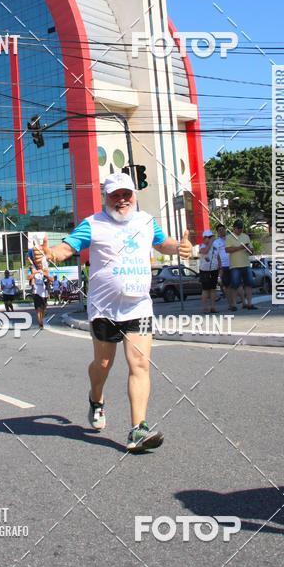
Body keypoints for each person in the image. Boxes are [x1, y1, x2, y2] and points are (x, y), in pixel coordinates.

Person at [42, 172, 192, 453]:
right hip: (104, 307)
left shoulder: (146, 221)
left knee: (140, 365)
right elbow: (66, 248)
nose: (122, 200)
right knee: (103, 364)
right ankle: (96, 399)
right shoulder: (93, 224)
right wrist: (49, 254)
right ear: (105, 198)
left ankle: (138, 429)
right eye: (115, 195)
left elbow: (163, 243)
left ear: (134, 195)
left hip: (139, 305)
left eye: (127, 194)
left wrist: (180, 247)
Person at [225, 220, 255, 311]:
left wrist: (248, 249)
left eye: (241, 228)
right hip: (235, 266)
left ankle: (249, 303)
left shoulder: (246, 236)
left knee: (249, 284)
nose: (240, 230)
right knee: (235, 285)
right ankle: (234, 304)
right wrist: (240, 247)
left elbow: (252, 251)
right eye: (238, 228)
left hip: (246, 264)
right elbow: (227, 249)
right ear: (234, 228)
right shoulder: (229, 237)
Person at [198, 229, 219, 313]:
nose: (211, 239)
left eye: (211, 237)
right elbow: (205, 251)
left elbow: (218, 256)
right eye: (209, 237)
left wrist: (220, 267)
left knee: (213, 289)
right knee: (205, 289)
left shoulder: (215, 246)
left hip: (214, 269)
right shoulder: (202, 246)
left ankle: (213, 307)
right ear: (205, 238)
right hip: (205, 270)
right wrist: (210, 242)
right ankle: (206, 308)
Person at [213, 224, 231, 305]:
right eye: (219, 230)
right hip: (223, 265)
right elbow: (216, 255)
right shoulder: (216, 242)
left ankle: (235, 298)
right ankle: (230, 301)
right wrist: (220, 267)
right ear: (217, 232)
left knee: (235, 283)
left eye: (222, 229)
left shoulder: (230, 239)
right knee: (225, 283)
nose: (221, 231)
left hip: (233, 264)